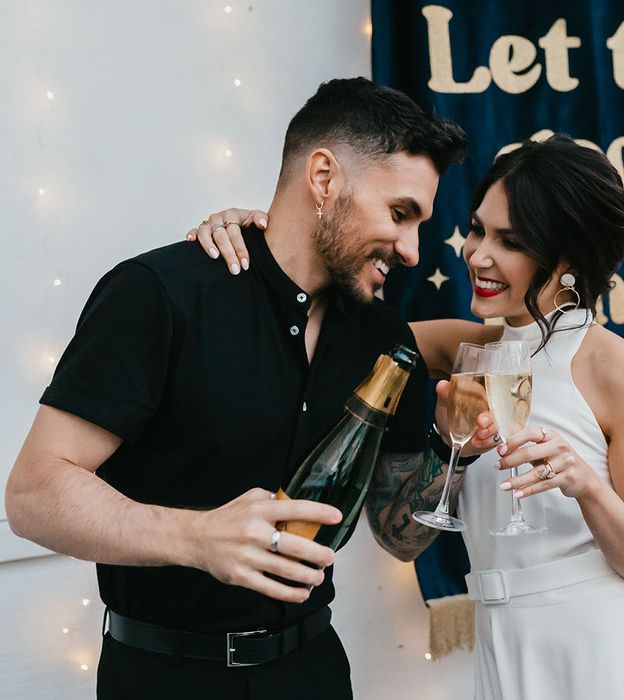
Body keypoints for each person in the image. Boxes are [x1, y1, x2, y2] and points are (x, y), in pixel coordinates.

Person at [4, 78, 472, 700]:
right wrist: (195, 538)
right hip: (161, 678)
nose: (413, 251)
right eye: (399, 213)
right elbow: (33, 493)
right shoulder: (159, 294)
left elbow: (403, 536)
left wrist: (455, 446)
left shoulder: (384, 336)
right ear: (325, 178)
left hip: (314, 673)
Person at [194, 134, 624, 699]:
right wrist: (259, 232)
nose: (478, 255)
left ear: (570, 258)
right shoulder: (467, 350)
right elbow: (331, 322)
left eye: (510, 241)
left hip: (604, 656)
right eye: (479, 229)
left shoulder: (619, 370)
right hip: (501, 650)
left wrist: (589, 489)